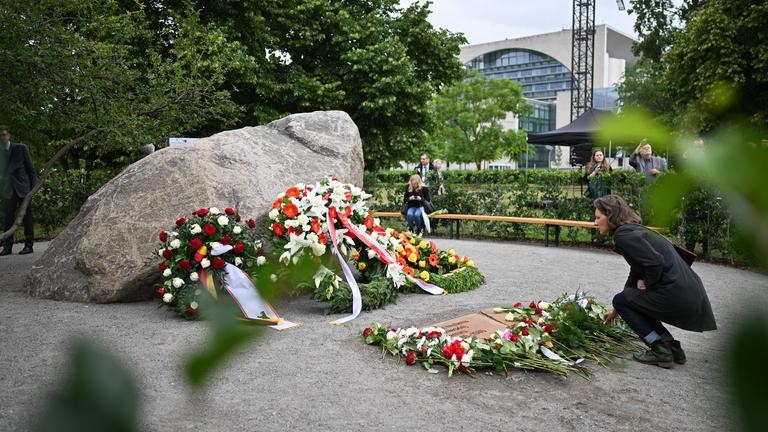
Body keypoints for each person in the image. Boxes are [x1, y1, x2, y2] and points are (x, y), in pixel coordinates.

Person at [595, 195, 716, 368]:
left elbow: (654, 262)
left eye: (598, 217)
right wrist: (618, 308)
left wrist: (647, 285)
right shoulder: (633, 229)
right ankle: (672, 347)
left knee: (622, 299)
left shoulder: (623, 235)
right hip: (690, 292)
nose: (595, 222)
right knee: (623, 300)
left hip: (676, 293)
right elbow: (637, 270)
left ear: (611, 215)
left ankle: (659, 348)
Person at [1, 126, 38, 255]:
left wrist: (33, 189)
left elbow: (31, 170)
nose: (3, 138)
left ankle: (29, 245)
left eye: (4, 135)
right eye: (1, 136)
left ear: (9, 135)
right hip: (7, 190)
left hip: (24, 189)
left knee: (27, 218)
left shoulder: (20, 148)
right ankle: (7, 247)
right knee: (8, 219)